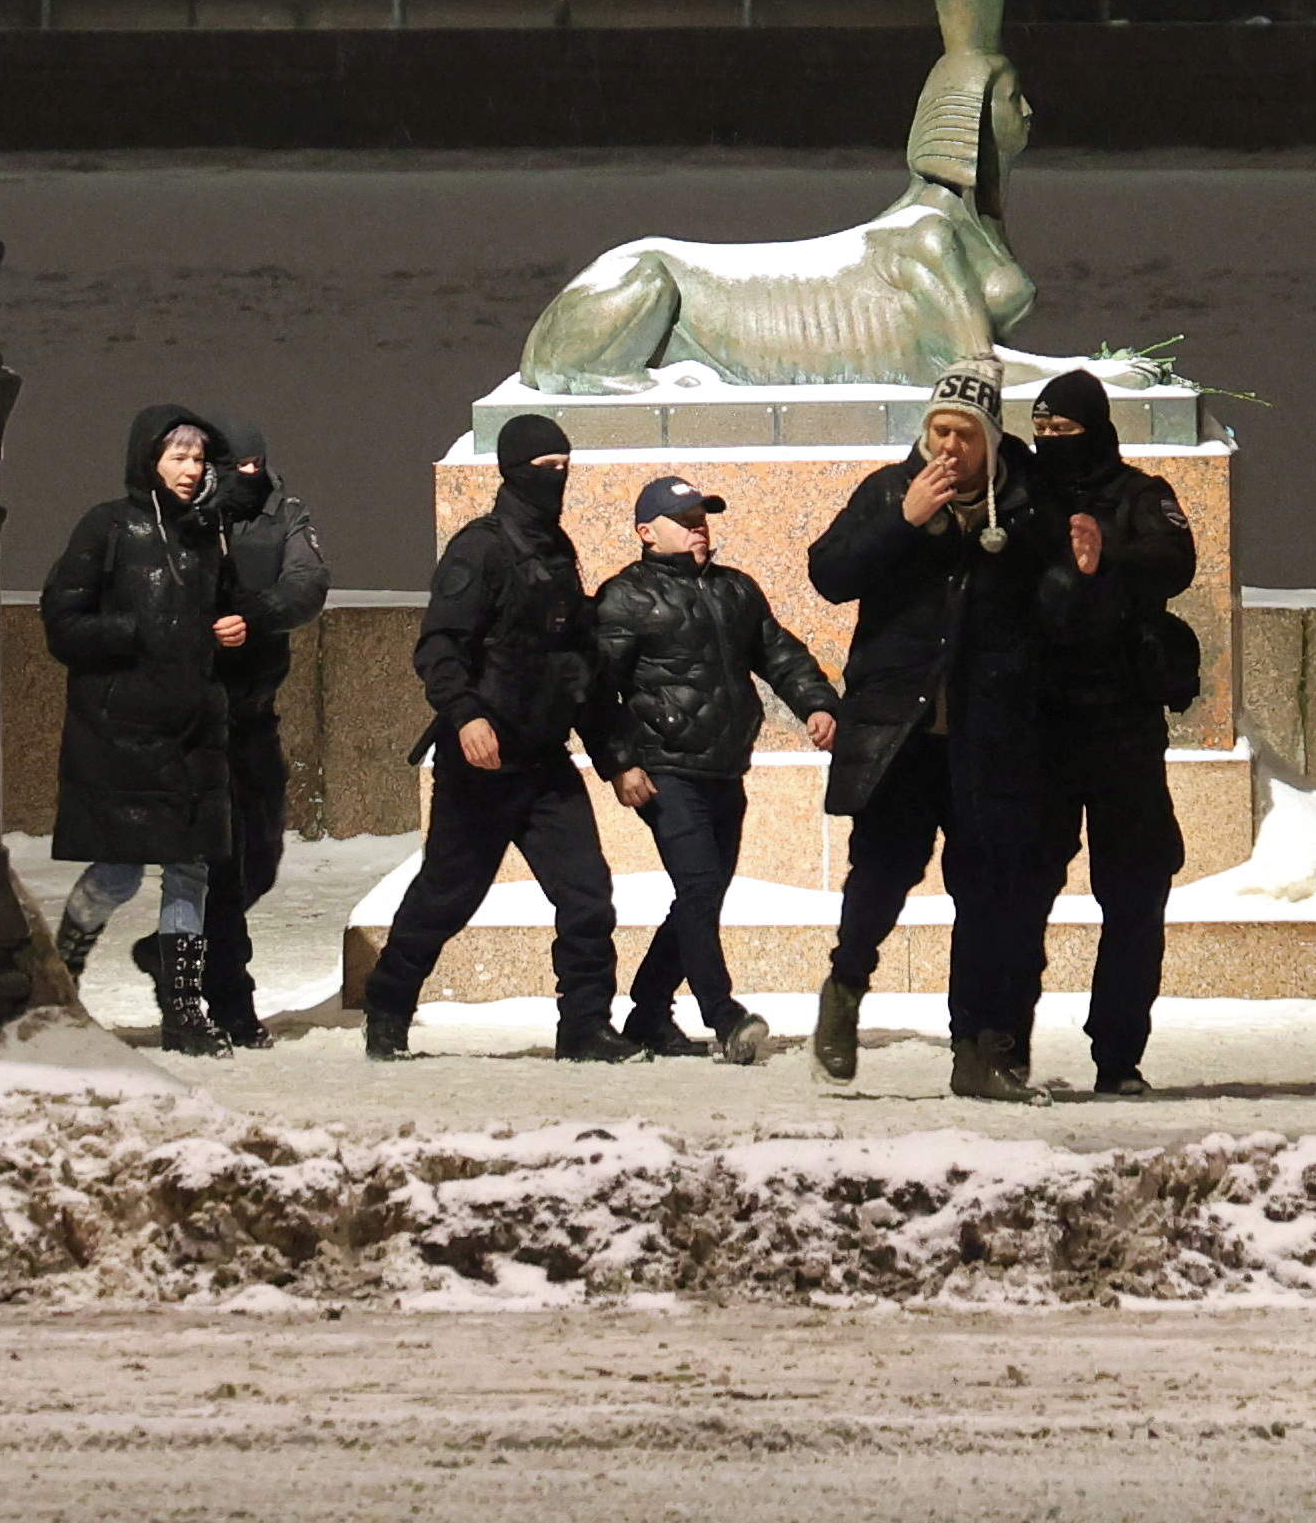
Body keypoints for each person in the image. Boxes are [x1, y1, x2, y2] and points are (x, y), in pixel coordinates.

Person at [361, 413, 645, 1065]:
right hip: (481, 764)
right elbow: (439, 645)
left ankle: (584, 1027)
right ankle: (387, 1006)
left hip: (545, 761)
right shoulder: (479, 550)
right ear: (514, 472)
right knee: (445, 897)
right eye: (544, 468)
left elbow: (582, 670)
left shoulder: (557, 553)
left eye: (562, 466)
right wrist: (465, 716)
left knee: (586, 897)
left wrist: (617, 758)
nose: (557, 479)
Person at [804, 358, 1050, 1102]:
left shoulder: (1027, 502)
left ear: (990, 440)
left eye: (964, 434)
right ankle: (845, 987)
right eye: (939, 430)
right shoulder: (887, 489)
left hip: (987, 736)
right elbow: (829, 573)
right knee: (881, 874)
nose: (948, 447)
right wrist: (902, 521)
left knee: (985, 896)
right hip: (896, 735)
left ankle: (974, 1051)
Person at [591, 474, 840, 1064]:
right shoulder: (624, 597)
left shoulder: (735, 591)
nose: (700, 527)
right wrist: (620, 763)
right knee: (700, 887)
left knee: (700, 897)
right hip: (664, 771)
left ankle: (649, 1010)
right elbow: (596, 691)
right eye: (687, 519)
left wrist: (818, 703)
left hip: (726, 768)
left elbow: (779, 653)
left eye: (704, 516)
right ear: (647, 533)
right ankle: (724, 1016)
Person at [41, 405, 256, 1056]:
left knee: (189, 869)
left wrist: (233, 628)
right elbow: (61, 622)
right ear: (148, 461)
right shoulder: (107, 526)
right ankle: (56, 977)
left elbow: (220, 613)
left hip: (193, 733)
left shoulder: (208, 533)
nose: (191, 471)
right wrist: (137, 633)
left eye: (198, 459)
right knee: (118, 873)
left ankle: (183, 1010)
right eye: (178, 458)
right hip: (121, 733)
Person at [1011, 370, 1197, 1095]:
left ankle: (1117, 1054)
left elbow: (1174, 561)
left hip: (1122, 725)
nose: (1053, 445)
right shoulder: (1025, 499)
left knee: (1136, 890)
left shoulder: (1140, 496)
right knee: (1022, 892)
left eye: (1067, 432)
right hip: (1044, 728)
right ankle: (1004, 1045)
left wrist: (1104, 558)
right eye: (1043, 432)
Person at [130, 417, 325, 1049]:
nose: (245, 476)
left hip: (255, 714)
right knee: (217, 866)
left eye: (254, 466)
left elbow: (307, 584)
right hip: (200, 720)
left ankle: (173, 951)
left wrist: (255, 613)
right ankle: (229, 999)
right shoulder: (191, 519)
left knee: (259, 862)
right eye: (232, 465)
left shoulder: (284, 513)